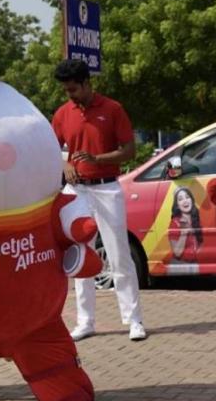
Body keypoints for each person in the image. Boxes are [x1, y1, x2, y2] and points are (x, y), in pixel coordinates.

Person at [52, 59, 146, 342]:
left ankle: (134, 320)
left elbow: (129, 151)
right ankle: (85, 321)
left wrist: (97, 159)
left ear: (87, 83)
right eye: (66, 90)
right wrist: (64, 166)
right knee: (81, 254)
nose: (70, 95)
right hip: (76, 192)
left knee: (118, 253)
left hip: (107, 188)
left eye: (73, 89)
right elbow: (50, 148)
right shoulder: (62, 113)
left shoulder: (112, 109)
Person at [169, 186, 202, 262]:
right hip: (181, 264)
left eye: (187, 197)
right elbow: (177, 253)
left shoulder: (196, 218)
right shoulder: (175, 222)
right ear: (177, 205)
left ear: (192, 200)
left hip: (196, 262)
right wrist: (184, 233)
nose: (185, 201)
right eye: (180, 199)